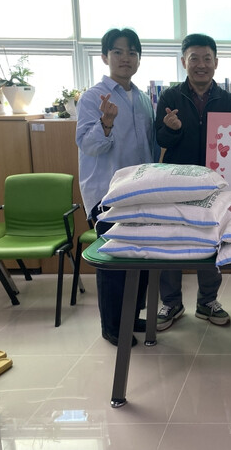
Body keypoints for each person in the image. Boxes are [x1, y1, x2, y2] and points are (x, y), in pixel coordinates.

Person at [154, 33, 231, 330]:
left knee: (211, 238)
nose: (201, 65)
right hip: (176, 180)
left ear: (216, 62)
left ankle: (208, 301)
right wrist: (172, 129)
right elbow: (161, 139)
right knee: (171, 238)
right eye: (194, 58)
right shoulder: (170, 97)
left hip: (215, 183)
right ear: (184, 62)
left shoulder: (229, 101)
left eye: (207, 58)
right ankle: (171, 302)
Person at [76, 27, 156, 346]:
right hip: (108, 195)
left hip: (142, 193)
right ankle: (111, 326)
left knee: (141, 258)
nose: (126, 58)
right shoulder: (93, 98)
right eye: (118, 52)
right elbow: (87, 144)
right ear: (104, 57)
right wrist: (106, 123)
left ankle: (131, 316)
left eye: (132, 52)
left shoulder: (143, 99)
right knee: (114, 262)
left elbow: (149, 147)